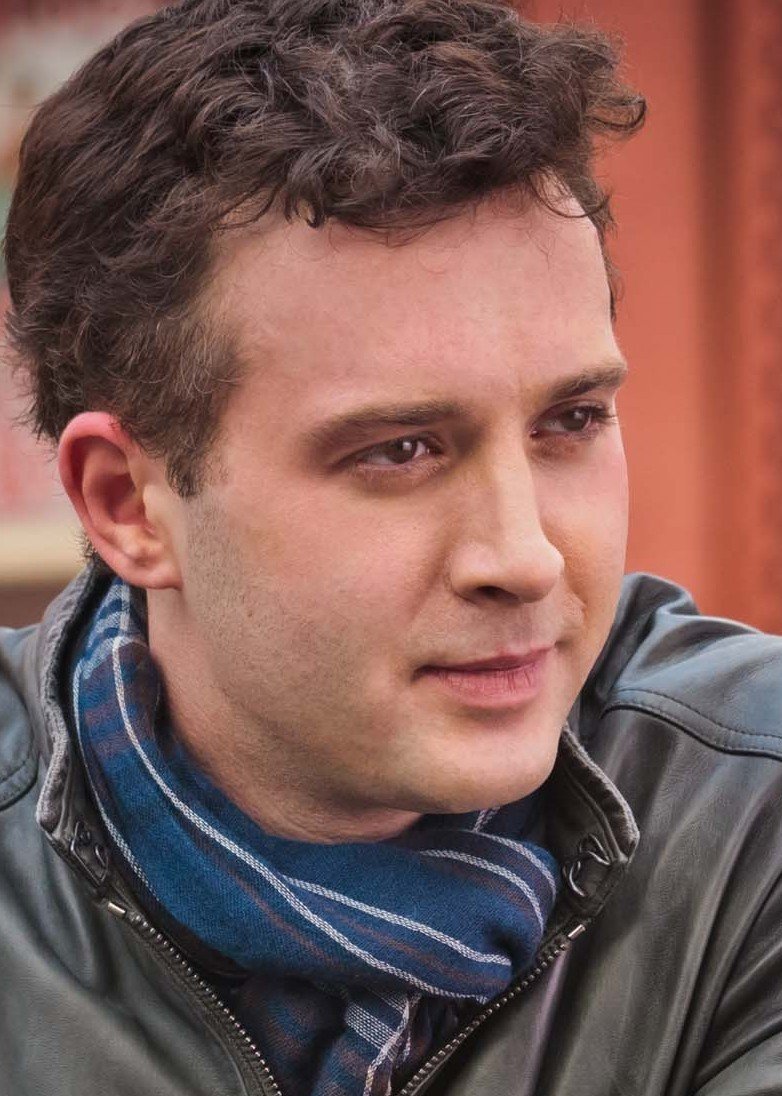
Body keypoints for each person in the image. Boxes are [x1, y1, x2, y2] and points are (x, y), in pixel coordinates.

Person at [1, 0, 781, 1093]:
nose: (524, 557)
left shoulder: (751, 816)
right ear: (127, 502)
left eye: (570, 421)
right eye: (400, 450)